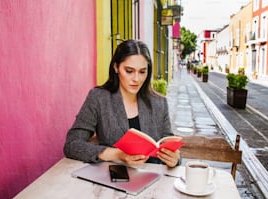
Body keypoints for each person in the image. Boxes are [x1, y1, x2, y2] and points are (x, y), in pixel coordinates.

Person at [63, 39, 180, 168]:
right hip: (114, 178)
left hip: (154, 178)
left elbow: (168, 142)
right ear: (116, 67)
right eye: (129, 71)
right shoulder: (99, 98)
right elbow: (72, 144)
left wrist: (175, 158)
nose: (136, 79)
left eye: (142, 72)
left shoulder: (159, 103)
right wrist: (117, 155)